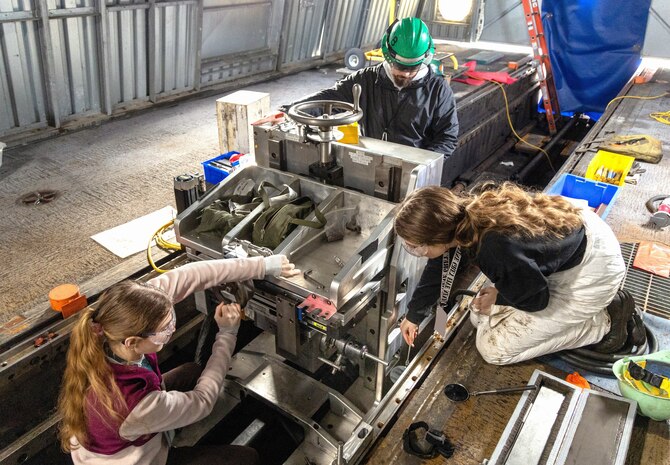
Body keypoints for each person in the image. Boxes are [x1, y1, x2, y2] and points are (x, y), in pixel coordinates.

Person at [57, 255, 300, 464]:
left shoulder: (117, 327)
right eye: (164, 330)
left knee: (192, 371)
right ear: (132, 341)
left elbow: (189, 274)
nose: (171, 330)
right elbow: (202, 401)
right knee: (246, 458)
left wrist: (263, 265)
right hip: (142, 459)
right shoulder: (133, 405)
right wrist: (227, 333)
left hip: (131, 426)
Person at [394, 183, 633, 365]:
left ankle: (604, 323)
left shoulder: (494, 248)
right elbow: (438, 268)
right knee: (478, 316)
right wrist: (413, 315)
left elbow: (537, 300)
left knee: (492, 350)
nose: (418, 251)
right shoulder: (464, 218)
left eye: (417, 246)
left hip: (592, 273)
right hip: (570, 245)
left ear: (438, 237)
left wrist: (499, 296)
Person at [280, 17, 459, 174]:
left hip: (413, 171)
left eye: (412, 69)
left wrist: (423, 168)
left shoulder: (438, 90)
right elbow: (330, 97)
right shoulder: (365, 80)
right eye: (400, 66)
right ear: (388, 55)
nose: (405, 74)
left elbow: (447, 138)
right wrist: (292, 109)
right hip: (370, 165)